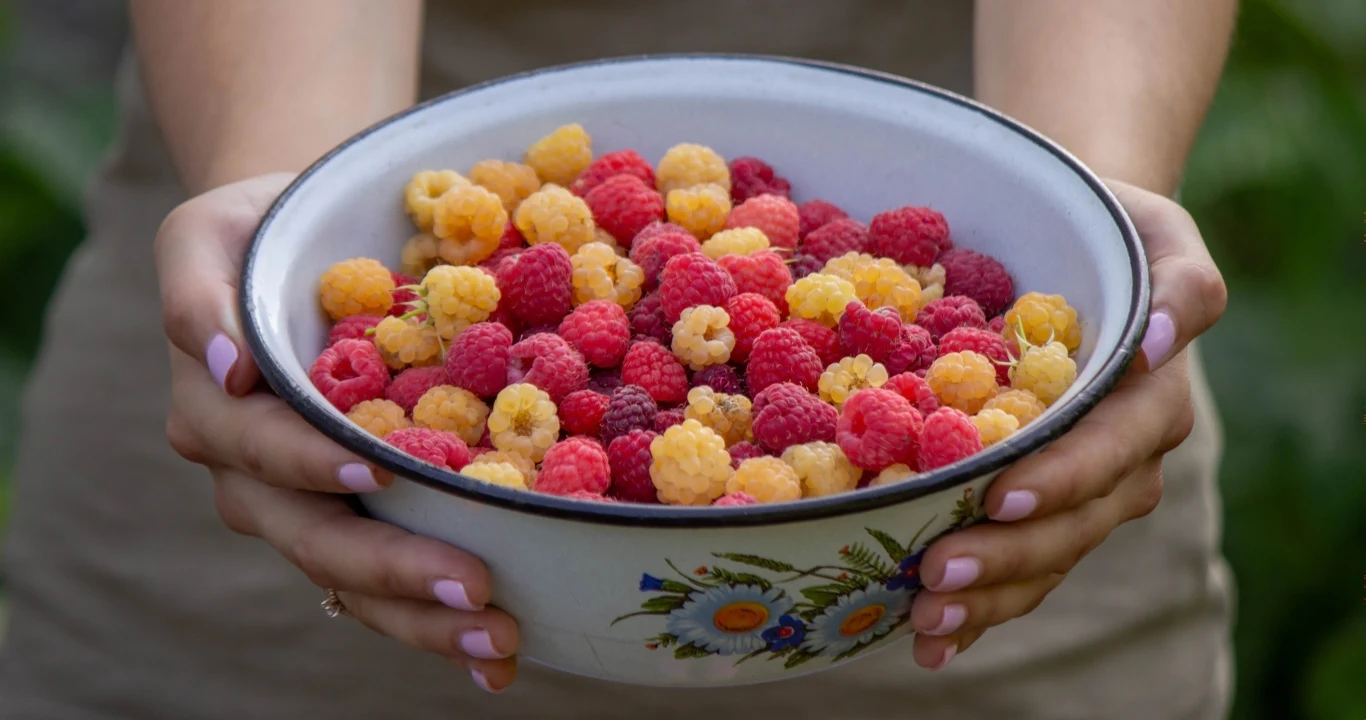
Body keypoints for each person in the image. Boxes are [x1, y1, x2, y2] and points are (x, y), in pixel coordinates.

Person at [0, 1, 1236, 717]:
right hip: (250, 591)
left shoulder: (884, 336)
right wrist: (298, 210)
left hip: (980, 578)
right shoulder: (466, 292)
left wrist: (1086, 198)